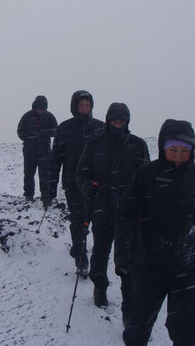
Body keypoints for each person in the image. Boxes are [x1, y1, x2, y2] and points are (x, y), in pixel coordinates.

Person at [115, 119, 195, 346]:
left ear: (192, 151)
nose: (178, 155)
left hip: (186, 266)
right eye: (173, 150)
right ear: (163, 148)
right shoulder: (147, 174)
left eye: (184, 151)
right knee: (137, 329)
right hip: (148, 266)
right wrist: (123, 256)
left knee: (185, 330)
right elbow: (126, 215)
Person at [76, 103, 149, 318]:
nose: (118, 125)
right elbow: (81, 174)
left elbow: (147, 179)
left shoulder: (138, 145)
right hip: (101, 210)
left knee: (128, 260)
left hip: (129, 213)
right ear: (108, 121)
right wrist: (89, 188)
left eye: (122, 121)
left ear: (127, 122)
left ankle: (130, 301)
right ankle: (100, 287)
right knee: (100, 253)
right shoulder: (94, 143)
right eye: (114, 121)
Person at [48, 90, 104, 274]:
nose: (85, 108)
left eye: (88, 105)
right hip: (72, 182)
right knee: (79, 219)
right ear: (75, 106)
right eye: (81, 105)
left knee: (98, 219)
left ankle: (98, 255)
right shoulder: (64, 128)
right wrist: (51, 186)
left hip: (96, 183)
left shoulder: (100, 127)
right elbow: (55, 159)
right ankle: (81, 257)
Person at [17, 95, 58, 205]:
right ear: (34, 106)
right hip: (30, 151)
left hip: (45, 151)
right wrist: (29, 137)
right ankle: (29, 195)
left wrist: (45, 133)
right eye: (38, 108)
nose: (40, 110)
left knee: (45, 174)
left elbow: (56, 130)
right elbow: (20, 131)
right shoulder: (27, 116)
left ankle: (46, 196)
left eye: (42, 108)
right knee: (29, 173)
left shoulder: (49, 117)